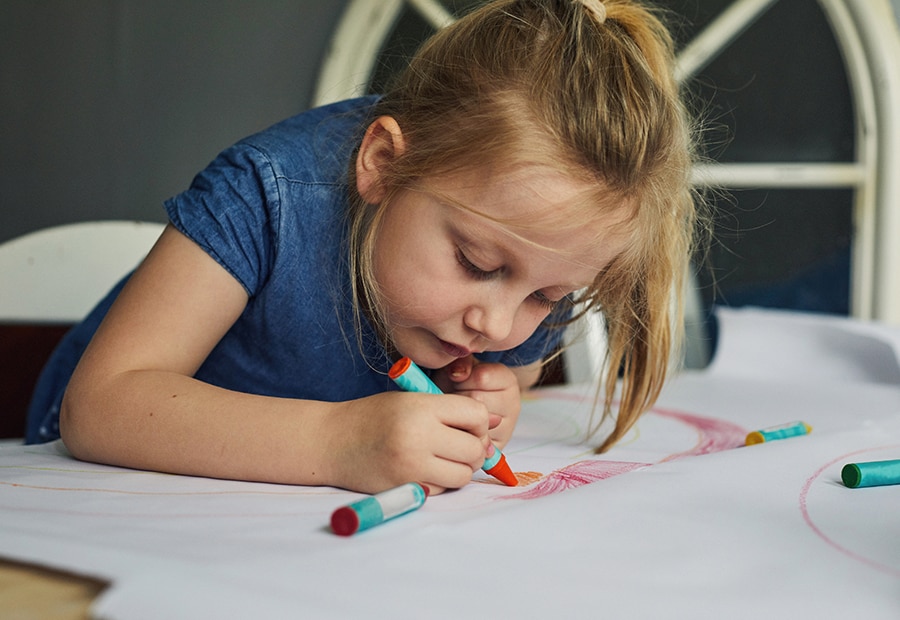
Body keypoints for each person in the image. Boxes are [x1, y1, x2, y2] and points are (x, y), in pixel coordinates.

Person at [26, 0, 700, 495]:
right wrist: (339, 444)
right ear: (382, 163)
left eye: (548, 297)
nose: (498, 326)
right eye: (476, 264)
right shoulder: (268, 193)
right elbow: (101, 407)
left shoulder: (543, 242)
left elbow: (512, 363)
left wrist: (495, 392)